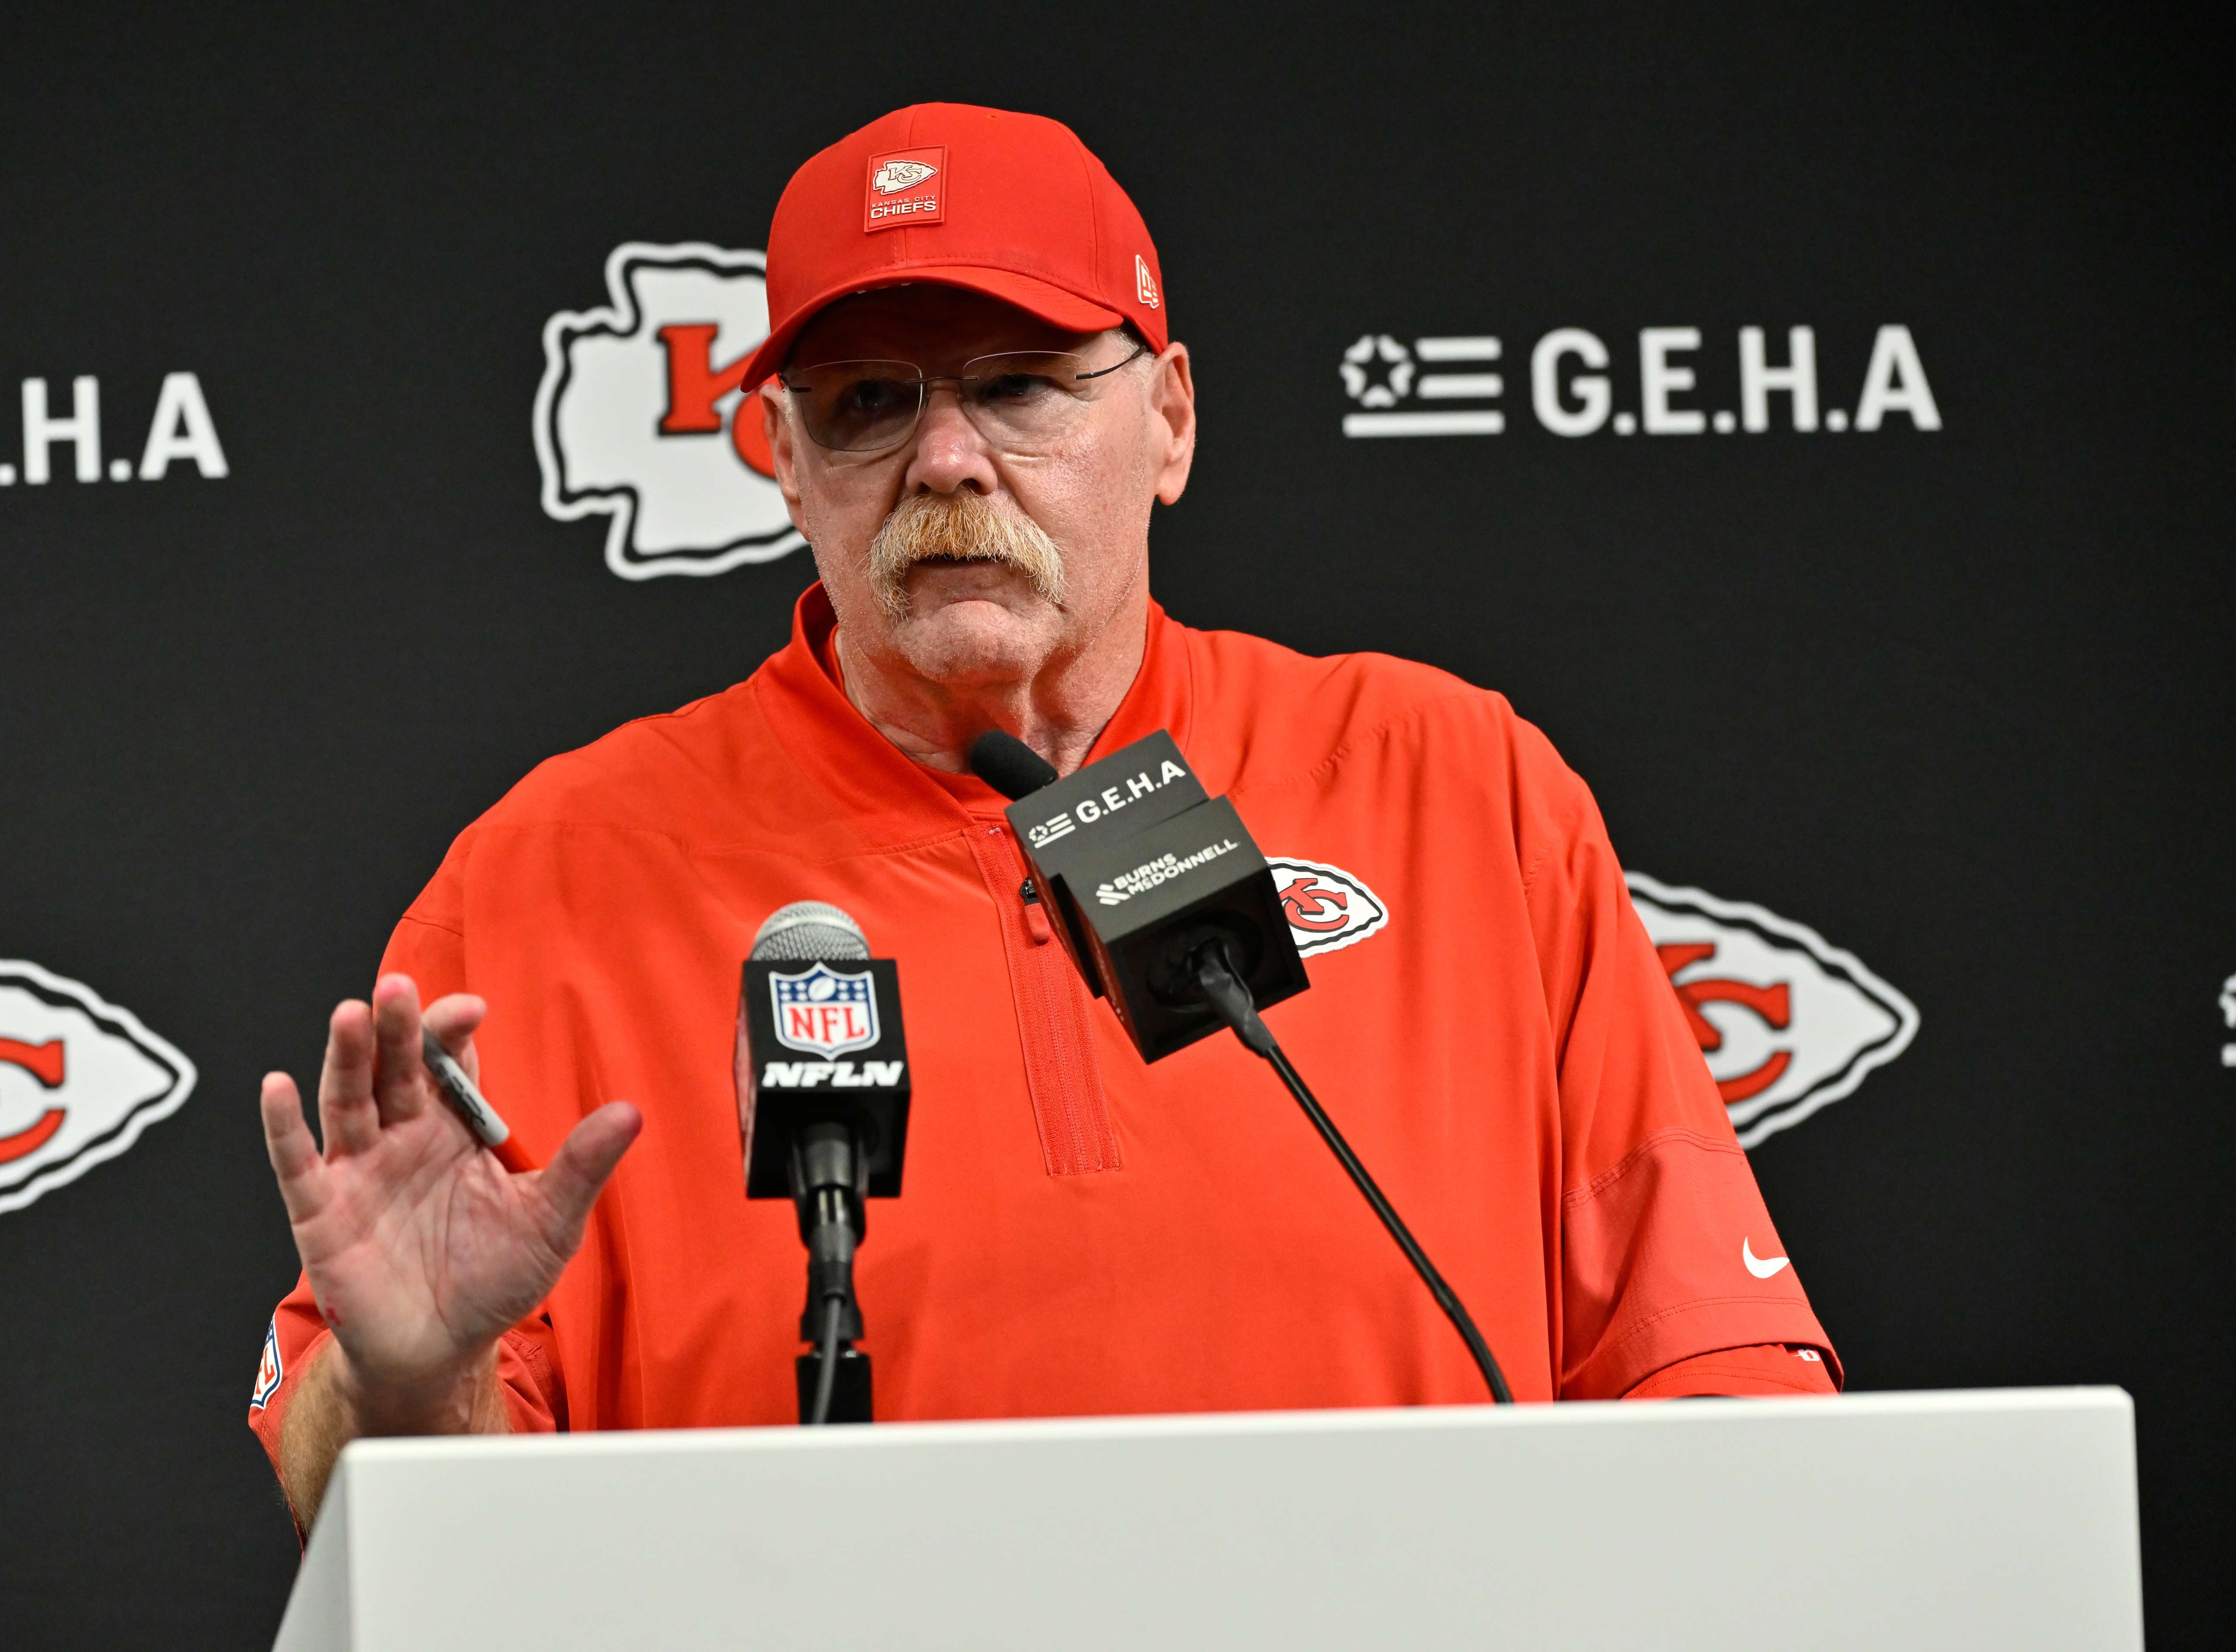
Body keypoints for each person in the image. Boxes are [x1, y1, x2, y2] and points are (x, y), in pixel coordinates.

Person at [248, 103, 1838, 1529]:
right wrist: (411, 1382)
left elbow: (1712, 1388)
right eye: (868, 401)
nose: (946, 458)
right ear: (787, 466)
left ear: (1171, 420)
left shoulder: (1453, 784)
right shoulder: (551, 874)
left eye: (1018, 384)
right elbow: (403, 1525)